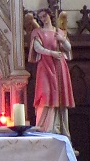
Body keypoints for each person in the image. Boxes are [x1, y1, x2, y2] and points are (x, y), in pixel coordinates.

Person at [28, 7, 75, 136]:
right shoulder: (37, 32)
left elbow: (68, 48)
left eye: (45, 16)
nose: (43, 19)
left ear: (50, 16)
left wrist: (62, 39)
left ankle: (60, 129)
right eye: (41, 17)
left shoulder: (59, 32)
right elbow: (37, 48)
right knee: (45, 94)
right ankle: (45, 128)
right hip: (45, 66)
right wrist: (51, 53)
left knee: (60, 95)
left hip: (59, 66)